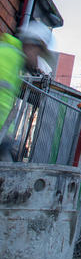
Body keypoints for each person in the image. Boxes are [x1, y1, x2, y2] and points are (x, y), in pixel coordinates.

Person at [0, 21, 52, 161]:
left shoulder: (13, 59)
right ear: (31, 45)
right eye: (38, 54)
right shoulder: (8, 56)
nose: (37, 60)